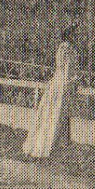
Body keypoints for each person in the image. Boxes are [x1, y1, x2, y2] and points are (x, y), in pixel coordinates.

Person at [23, 26, 79, 159]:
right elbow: (66, 70)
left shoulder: (63, 48)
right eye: (74, 34)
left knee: (49, 114)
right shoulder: (67, 49)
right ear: (68, 36)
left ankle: (44, 145)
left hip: (57, 82)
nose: (76, 37)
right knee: (56, 114)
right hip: (62, 84)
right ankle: (48, 147)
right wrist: (72, 81)